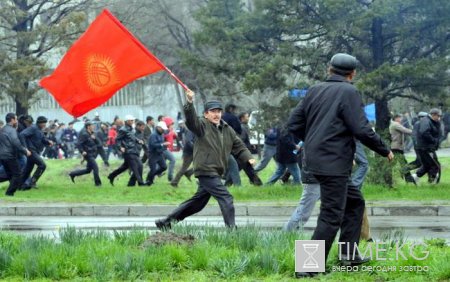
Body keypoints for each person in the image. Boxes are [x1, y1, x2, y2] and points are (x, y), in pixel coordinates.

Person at [288, 53, 393, 278]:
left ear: (329, 69)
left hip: (317, 160)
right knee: (331, 215)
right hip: (333, 164)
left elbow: (293, 123)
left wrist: (314, 141)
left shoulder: (315, 90)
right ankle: (306, 266)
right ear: (352, 74)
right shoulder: (349, 91)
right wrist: (384, 149)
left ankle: (349, 256)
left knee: (355, 203)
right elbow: (361, 129)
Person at [155, 90, 256, 230]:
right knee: (226, 198)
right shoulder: (202, 126)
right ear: (206, 114)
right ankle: (233, 232)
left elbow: (238, 145)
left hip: (216, 170)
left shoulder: (226, 129)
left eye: (218, 111)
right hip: (206, 169)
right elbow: (191, 120)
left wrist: (248, 157)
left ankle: (165, 223)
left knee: (197, 203)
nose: (216, 114)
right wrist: (189, 103)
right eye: (213, 111)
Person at [108, 115, 146, 186]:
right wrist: (120, 147)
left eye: (133, 120)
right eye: (131, 120)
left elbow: (133, 137)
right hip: (128, 151)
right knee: (136, 166)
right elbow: (117, 139)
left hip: (133, 150)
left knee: (124, 167)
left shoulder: (131, 129)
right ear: (127, 121)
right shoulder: (123, 129)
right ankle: (141, 183)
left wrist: (138, 141)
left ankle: (111, 176)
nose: (132, 122)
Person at [0, 113, 31, 196]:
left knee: (10, 174)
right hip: (9, 156)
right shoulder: (12, 130)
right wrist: (25, 151)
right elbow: (15, 143)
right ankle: (9, 193)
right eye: (16, 119)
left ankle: (11, 192)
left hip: (2, 156)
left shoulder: (2, 129)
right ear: (12, 120)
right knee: (17, 174)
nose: (17, 121)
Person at [19, 116, 53, 190]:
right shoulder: (33, 128)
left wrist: (48, 142)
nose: (45, 124)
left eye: (45, 123)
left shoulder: (40, 129)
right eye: (43, 123)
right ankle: (32, 182)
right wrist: (25, 148)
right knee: (42, 165)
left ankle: (19, 185)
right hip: (31, 151)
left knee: (27, 171)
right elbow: (22, 135)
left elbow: (43, 139)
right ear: (39, 122)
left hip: (35, 151)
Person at [412, 108, 442, 184]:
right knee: (434, 165)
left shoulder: (432, 121)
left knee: (427, 165)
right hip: (425, 148)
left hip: (427, 147)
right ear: (433, 115)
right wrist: (434, 140)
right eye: (438, 116)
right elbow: (424, 132)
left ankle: (415, 177)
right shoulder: (426, 121)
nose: (439, 118)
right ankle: (431, 182)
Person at [69, 121, 102, 186]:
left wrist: (95, 139)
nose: (93, 126)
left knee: (88, 170)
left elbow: (99, 143)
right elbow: (79, 144)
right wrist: (82, 151)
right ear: (88, 127)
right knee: (96, 168)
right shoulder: (84, 134)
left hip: (93, 153)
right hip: (88, 154)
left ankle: (72, 174)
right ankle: (98, 184)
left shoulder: (92, 133)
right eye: (92, 125)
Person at [389, 114, 416, 184]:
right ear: (396, 118)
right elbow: (405, 130)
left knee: (399, 163)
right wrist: (415, 132)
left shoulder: (394, 124)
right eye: (400, 118)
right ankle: (408, 178)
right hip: (396, 147)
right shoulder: (395, 124)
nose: (401, 119)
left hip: (396, 147)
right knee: (403, 163)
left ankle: (408, 178)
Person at [170, 123, 195, 187]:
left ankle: (189, 173)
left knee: (200, 165)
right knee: (184, 168)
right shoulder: (190, 130)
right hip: (188, 153)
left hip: (193, 152)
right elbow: (188, 141)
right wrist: (195, 147)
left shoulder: (195, 130)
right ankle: (174, 182)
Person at [146, 121, 170, 186]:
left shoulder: (161, 134)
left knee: (164, 167)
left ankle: (150, 177)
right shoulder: (153, 135)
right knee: (153, 169)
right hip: (153, 154)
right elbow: (153, 144)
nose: (163, 130)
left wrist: (165, 147)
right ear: (158, 128)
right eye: (162, 129)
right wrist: (163, 144)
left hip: (159, 154)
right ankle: (149, 181)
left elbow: (161, 144)